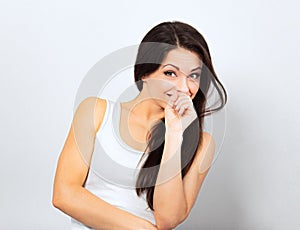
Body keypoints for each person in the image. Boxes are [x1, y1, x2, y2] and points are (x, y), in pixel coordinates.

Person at [52, 21, 227, 229]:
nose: (183, 87)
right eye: (170, 73)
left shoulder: (202, 143)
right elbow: (64, 194)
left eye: (194, 75)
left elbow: (167, 219)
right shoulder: (95, 112)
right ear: (145, 72)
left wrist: (174, 135)